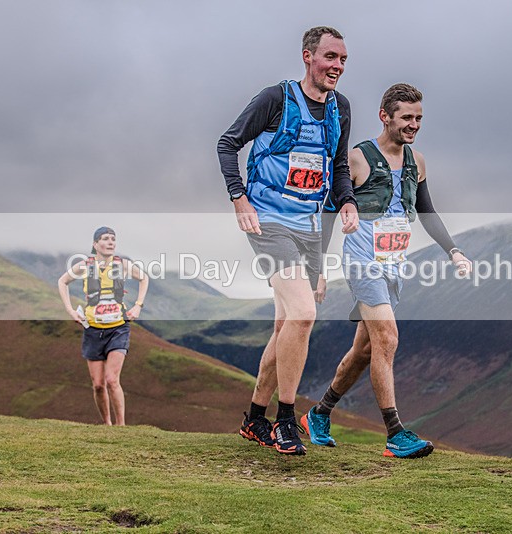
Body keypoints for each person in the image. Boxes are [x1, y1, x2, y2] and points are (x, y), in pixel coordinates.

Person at [301, 83, 472, 458]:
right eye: (407, 118)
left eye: (419, 118)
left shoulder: (417, 162)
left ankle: (318, 413)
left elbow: (427, 212)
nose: (414, 125)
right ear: (385, 116)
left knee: (364, 351)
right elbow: (331, 213)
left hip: (393, 266)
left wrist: (454, 251)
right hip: (362, 262)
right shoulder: (358, 158)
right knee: (389, 339)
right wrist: (319, 268)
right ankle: (395, 433)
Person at [217, 26, 359, 455]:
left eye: (343, 60)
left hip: (309, 227)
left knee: (286, 327)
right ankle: (284, 420)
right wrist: (239, 197)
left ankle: (253, 419)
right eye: (330, 57)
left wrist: (347, 201)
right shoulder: (275, 99)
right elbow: (227, 144)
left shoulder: (341, 108)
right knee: (301, 314)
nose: (336, 66)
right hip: (269, 222)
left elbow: (337, 165)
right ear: (307, 56)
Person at [57, 227, 149, 426]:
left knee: (111, 379)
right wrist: (70, 310)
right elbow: (62, 281)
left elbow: (144, 278)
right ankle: (107, 424)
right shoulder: (85, 266)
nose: (110, 242)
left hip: (118, 328)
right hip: (92, 328)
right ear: (95, 244)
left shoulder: (122, 264)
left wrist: (138, 306)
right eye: (105, 239)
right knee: (98, 385)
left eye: (113, 239)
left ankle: (121, 425)